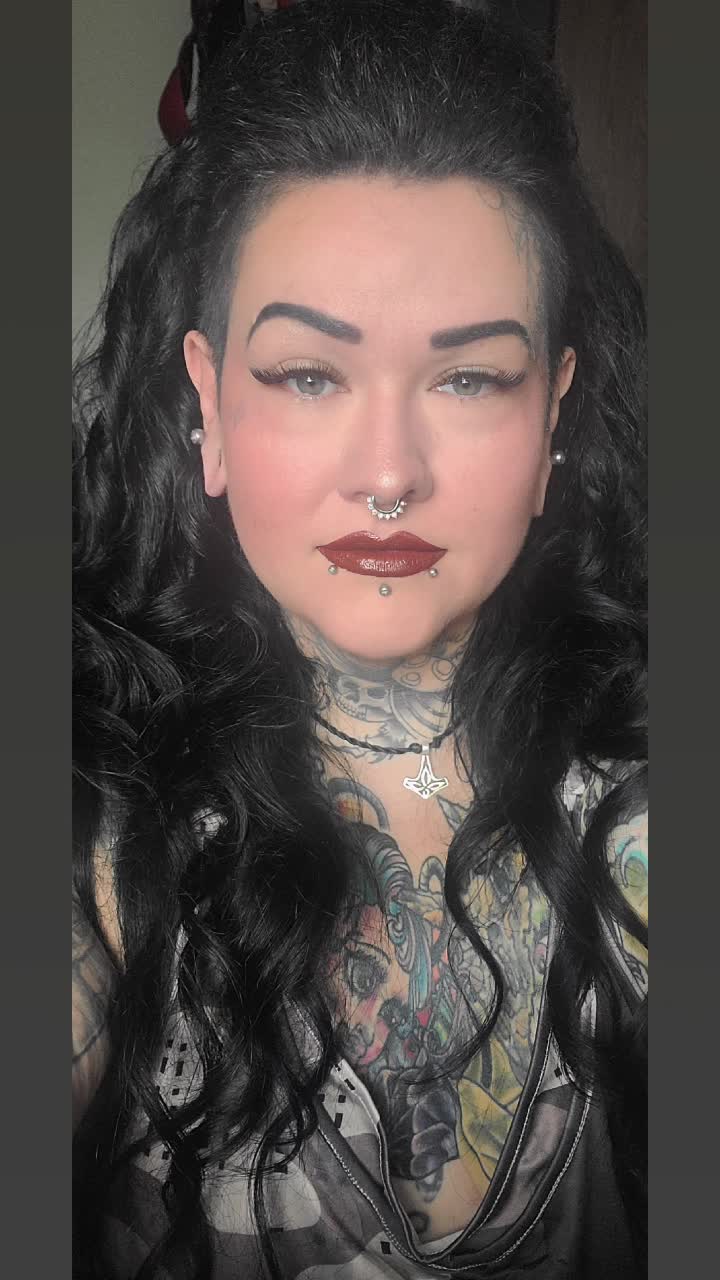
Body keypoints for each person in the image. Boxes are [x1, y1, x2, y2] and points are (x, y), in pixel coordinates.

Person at [72, 2, 648, 1277]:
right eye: (308, 375)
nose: (389, 474)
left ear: (554, 417)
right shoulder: (94, 789)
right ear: (208, 402)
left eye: (469, 377)